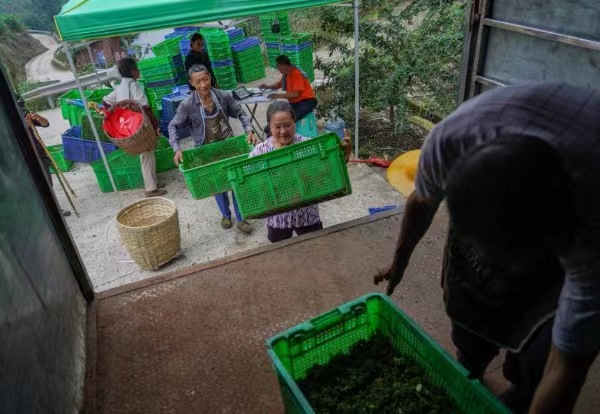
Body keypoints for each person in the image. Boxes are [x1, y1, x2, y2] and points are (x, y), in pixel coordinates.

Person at [374, 82, 600, 414]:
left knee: (540, 360)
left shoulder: (590, 234)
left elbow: (567, 367)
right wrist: (399, 263)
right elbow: (421, 203)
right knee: (470, 308)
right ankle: (471, 362)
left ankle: (523, 385)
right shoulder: (450, 142)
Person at [169, 64, 258, 233]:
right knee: (217, 185)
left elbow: (241, 113)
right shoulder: (187, 105)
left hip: (229, 146)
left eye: (205, 79)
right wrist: (177, 148)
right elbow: (173, 126)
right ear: (191, 83)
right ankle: (225, 215)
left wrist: (249, 130)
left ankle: (241, 219)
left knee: (236, 181)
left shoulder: (223, 96)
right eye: (198, 82)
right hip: (206, 151)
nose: (203, 84)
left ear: (210, 77)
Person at [250, 101, 351, 243]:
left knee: (315, 246)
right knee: (280, 249)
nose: (283, 131)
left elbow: (329, 172)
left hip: (307, 214)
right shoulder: (260, 152)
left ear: (295, 122)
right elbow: (251, 184)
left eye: (287, 125)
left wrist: (345, 154)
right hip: (278, 218)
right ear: (269, 127)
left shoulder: (308, 146)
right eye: (277, 127)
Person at [103, 58, 166, 197]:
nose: (138, 71)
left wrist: (118, 111)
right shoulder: (134, 85)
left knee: (147, 154)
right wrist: (154, 125)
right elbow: (144, 106)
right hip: (139, 127)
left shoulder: (119, 87)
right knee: (146, 154)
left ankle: (153, 182)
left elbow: (106, 101)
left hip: (126, 128)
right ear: (132, 71)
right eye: (137, 69)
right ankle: (151, 189)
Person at [16, 96, 71, 217]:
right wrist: (24, 127)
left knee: (46, 183)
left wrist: (38, 118)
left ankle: (54, 209)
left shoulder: (23, 114)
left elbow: (45, 124)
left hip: (38, 153)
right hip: (20, 158)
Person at [260, 55, 317, 123]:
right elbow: (278, 85)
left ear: (283, 65)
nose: (277, 68)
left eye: (278, 66)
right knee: (277, 116)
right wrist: (267, 87)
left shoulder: (296, 73)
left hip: (306, 102)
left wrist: (277, 95)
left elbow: (295, 94)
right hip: (295, 103)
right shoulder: (286, 75)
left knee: (288, 120)